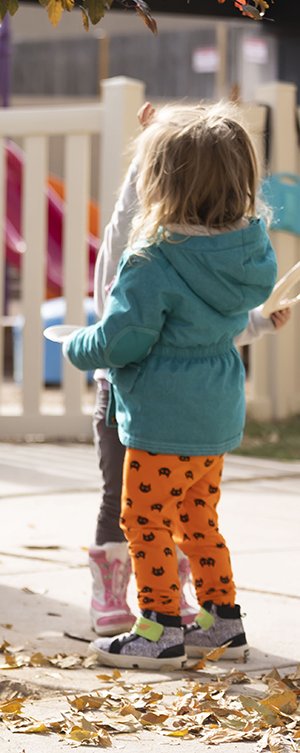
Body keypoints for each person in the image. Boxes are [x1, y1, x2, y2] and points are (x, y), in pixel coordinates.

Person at [66, 103, 276, 669]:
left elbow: (123, 338)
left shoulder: (153, 261)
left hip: (162, 420)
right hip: (215, 416)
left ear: (160, 182)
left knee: (145, 520)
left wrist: (75, 345)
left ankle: (158, 626)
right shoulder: (246, 254)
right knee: (199, 520)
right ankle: (222, 620)